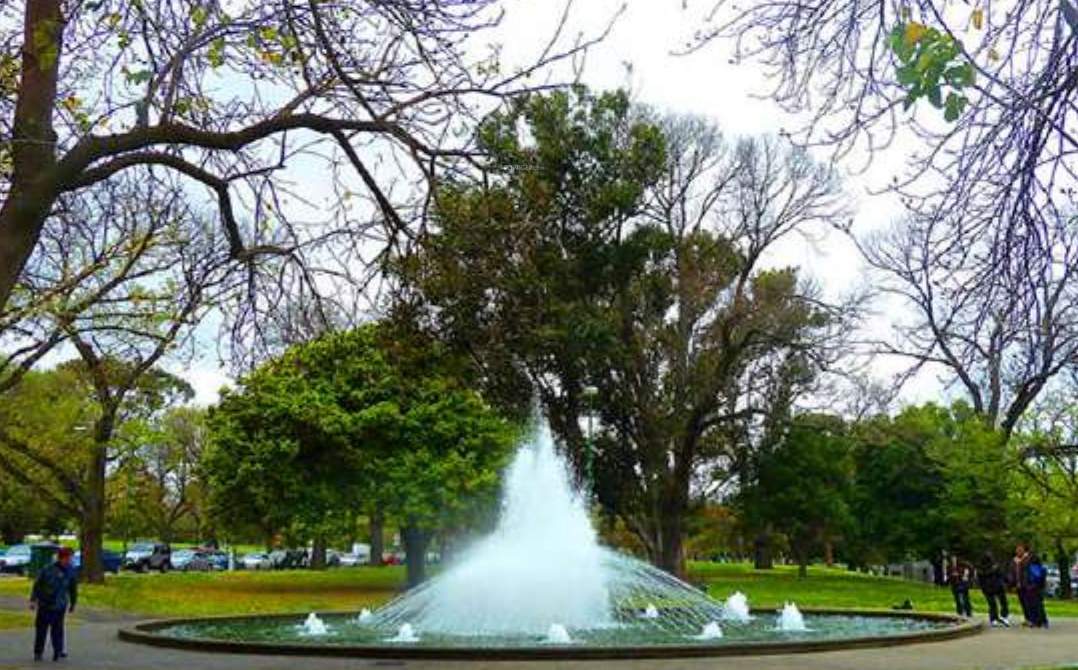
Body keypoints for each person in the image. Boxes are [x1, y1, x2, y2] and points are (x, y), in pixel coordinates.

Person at [29, 547, 77, 661]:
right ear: (62, 558)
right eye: (69, 558)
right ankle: (38, 652)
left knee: (58, 629)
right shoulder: (48, 569)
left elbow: (73, 588)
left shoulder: (70, 570)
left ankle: (58, 651)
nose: (70, 560)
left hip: (60, 604)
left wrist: (73, 603)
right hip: (46, 603)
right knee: (41, 630)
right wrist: (33, 600)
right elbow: (37, 585)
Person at [977, 550, 1010, 627]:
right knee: (1000, 603)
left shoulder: (981, 569)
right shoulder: (994, 567)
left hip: (991, 587)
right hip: (996, 586)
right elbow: (1002, 575)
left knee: (994, 604)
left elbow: (980, 579)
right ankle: (1002, 617)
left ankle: (995, 618)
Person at [1024, 552, 1050, 629]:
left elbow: (1034, 578)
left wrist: (1030, 585)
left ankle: (1037, 621)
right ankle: (1041, 621)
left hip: (1034, 588)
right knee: (1038, 606)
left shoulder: (1031, 567)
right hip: (1037, 588)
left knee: (1034, 606)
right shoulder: (1041, 568)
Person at [1012, 542, 1033, 626]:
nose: (1018, 551)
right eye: (1017, 549)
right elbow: (1012, 572)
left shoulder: (1028, 559)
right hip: (1018, 585)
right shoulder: (1014, 561)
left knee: (1028, 602)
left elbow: (1028, 572)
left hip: (1027, 585)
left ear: (1024, 550)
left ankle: (1031, 619)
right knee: (1023, 603)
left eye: (1020, 549)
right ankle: (1027, 618)